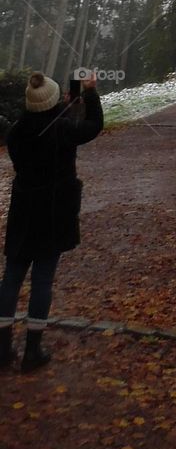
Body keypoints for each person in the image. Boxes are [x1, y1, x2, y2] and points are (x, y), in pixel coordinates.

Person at [0, 69, 103, 372]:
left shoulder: (16, 134)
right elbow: (93, 125)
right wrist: (90, 92)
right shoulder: (64, 130)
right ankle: (33, 350)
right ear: (53, 101)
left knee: (11, 277)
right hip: (54, 212)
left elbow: (44, 119)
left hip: (23, 209)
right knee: (43, 279)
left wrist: (67, 102)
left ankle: (2, 350)